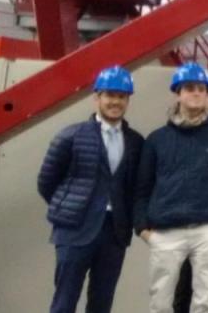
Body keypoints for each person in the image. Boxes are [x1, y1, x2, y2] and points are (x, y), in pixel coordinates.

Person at [134, 62, 208, 313]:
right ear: (178, 93)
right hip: (165, 233)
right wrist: (143, 229)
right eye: (189, 88)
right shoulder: (157, 140)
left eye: (200, 88)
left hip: (207, 231)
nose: (195, 92)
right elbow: (141, 189)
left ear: (207, 94)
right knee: (160, 303)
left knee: (207, 303)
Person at [39, 66, 145, 313]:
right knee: (64, 301)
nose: (115, 101)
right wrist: (70, 207)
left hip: (114, 234)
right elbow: (46, 181)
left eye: (121, 96)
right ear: (97, 97)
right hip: (75, 230)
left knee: (102, 303)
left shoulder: (136, 142)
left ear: (128, 100)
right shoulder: (71, 136)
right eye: (110, 95)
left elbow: (134, 187)